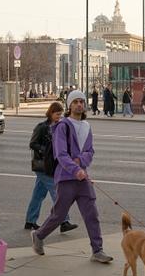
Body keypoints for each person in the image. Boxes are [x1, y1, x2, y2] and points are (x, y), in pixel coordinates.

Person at [31, 90, 113, 264]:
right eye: (75, 102)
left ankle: (97, 250)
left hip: (82, 179)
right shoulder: (63, 126)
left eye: (81, 102)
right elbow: (60, 154)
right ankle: (38, 235)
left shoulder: (87, 127)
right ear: (69, 105)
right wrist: (76, 169)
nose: (79, 105)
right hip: (66, 178)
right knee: (59, 215)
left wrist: (81, 161)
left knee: (91, 214)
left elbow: (90, 151)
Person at [24, 102, 77, 233]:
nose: (59, 117)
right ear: (51, 113)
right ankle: (64, 221)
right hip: (42, 166)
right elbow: (33, 144)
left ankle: (30, 221)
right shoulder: (42, 127)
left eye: (60, 114)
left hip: (50, 165)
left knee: (38, 195)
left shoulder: (59, 126)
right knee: (57, 193)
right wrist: (47, 150)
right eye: (57, 114)